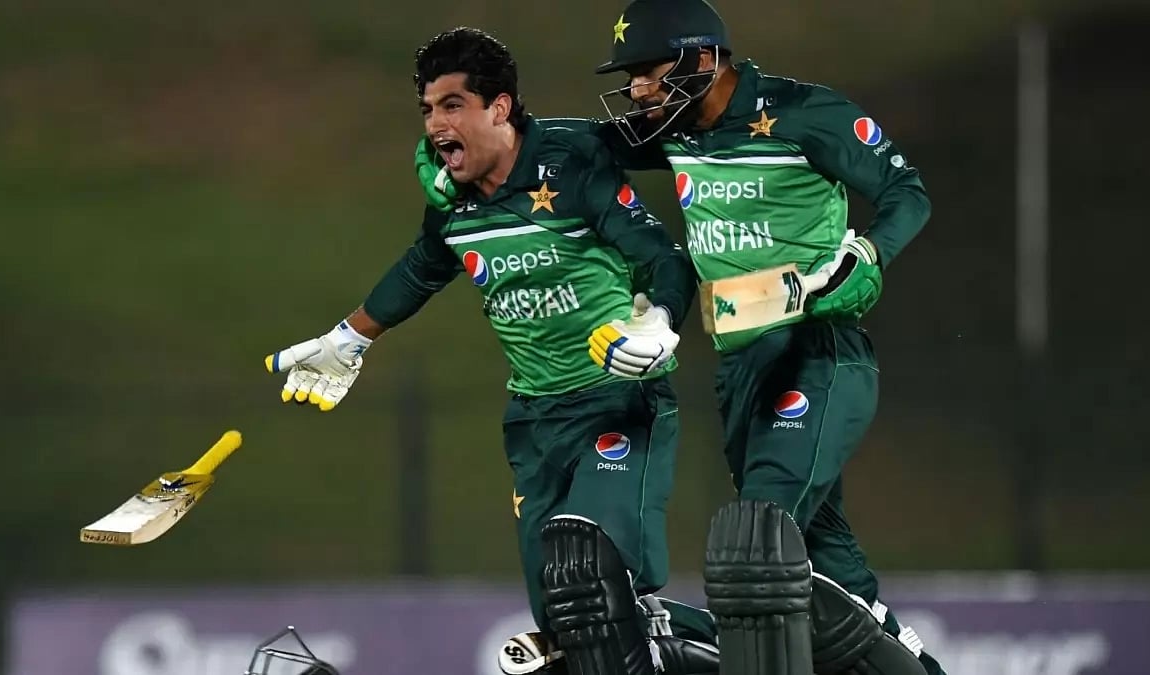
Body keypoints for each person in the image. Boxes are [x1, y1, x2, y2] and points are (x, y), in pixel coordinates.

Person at [414, 2, 943, 675]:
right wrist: (442, 156)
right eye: (630, 76)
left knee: (754, 549)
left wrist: (867, 254)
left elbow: (907, 192)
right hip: (742, 370)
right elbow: (550, 146)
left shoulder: (803, 113)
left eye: (647, 72)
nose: (636, 90)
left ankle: (645, 630)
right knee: (823, 577)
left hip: (816, 353)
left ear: (702, 59)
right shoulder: (672, 128)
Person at [266, 26, 718, 675]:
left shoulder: (570, 168)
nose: (435, 124)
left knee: (593, 581)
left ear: (499, 108)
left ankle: (758, 646)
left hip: (618, 405)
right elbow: (425, 263)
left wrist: (659, 324)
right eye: (427, 109)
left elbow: (664, 261)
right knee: (564, 628)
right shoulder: (453, 201)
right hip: (535, 421)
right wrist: (350, 337)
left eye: (451, 105)